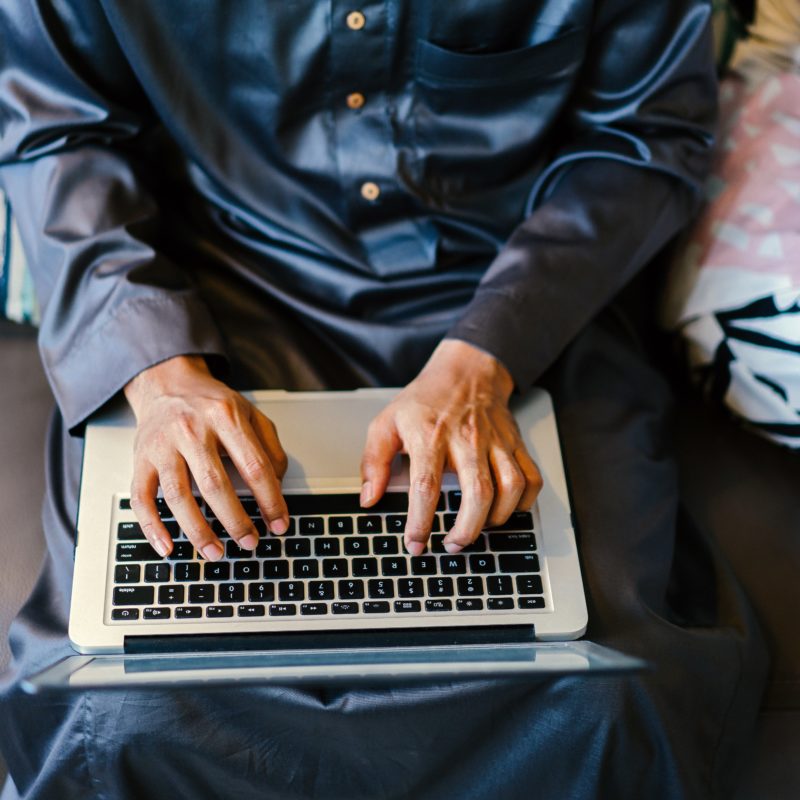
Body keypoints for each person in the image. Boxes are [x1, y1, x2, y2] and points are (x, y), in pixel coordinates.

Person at [0, 2, 767, 799]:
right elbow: (55, 128)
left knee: (603, 693)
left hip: (530, 289)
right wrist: (158, 375)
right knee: (115, 708)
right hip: (208, 290)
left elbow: (644, 137)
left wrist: (489, 354)